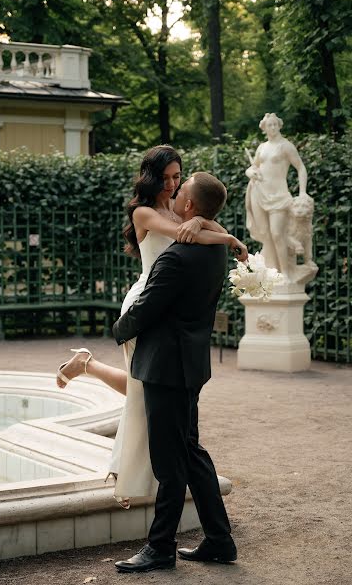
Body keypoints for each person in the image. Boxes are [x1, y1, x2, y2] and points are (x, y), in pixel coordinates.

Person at [57, 145, 247, 508]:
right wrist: (224, 237)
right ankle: (129, 474)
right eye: (166, 178)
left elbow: (203, 222)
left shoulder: (179, 208)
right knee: (143, 393)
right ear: (151, 177)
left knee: (142, 392)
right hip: (146, 304)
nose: (173, 184)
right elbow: (184, 237)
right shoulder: (144, 212)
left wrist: (202, 221)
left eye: (178, 177)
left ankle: (87, 367)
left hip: (168, 307)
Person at [112, 172, 237, 573]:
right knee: (190, 451)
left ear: (188, 207)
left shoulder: (175, 257)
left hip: (165, 366)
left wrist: (117, 330)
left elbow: (145, 310)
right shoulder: (215, 251)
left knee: (170, 462)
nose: (176, 192)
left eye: (181, 189)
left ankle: (160, 548)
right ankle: (219, 540)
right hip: (192, 363)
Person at [245, 112, 308, 278]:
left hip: (279, 197)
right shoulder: (262, 148)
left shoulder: (285, 146)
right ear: (264, 128)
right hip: (259, 192)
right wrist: (250, 173)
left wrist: (302, 192)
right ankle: (271, 271)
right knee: (266, 234)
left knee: (277, 233)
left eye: (275, 124)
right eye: (269, 125)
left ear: (279, 125)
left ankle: (285, 272)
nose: (272, 127)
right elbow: (253, 167)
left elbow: (301, 168)